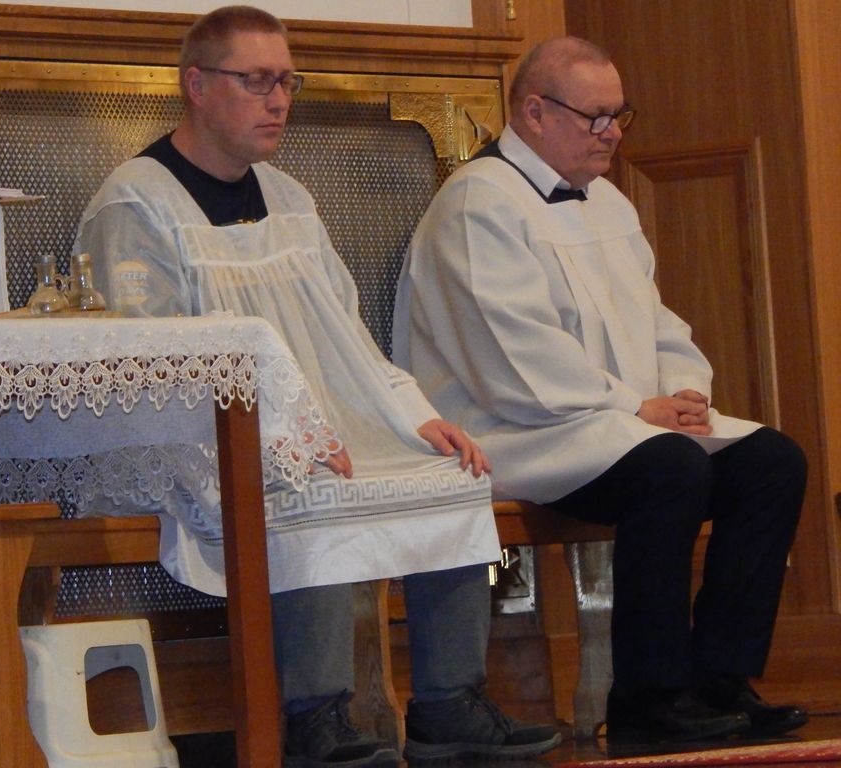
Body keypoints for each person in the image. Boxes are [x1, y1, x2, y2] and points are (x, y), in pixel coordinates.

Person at [75, 6, 561, 766]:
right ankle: (313, 716)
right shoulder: (138, 203)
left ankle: (447, 704)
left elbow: (345, 333)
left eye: (286, 82)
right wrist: (280, 437)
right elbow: (149, 363)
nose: (278, 101)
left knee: (451, 471)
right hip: (197, 438)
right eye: (257, 81)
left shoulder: (289, 198)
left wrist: (412, 414)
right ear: (196, 85)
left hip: (315, 423)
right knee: (308, 483)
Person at [393, 36, 808, 744]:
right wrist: (635, 408)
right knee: (671, 470)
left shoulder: (608, 202)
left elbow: (658, 321)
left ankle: (721, 681)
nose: (613, 132)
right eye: (596, 117)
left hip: (616, 422)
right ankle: (649, 699)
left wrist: (685, 393)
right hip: (516, 432)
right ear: (534, 112)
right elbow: (513, 359)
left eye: (620, 115)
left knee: (772, 462)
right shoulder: (477, 204)